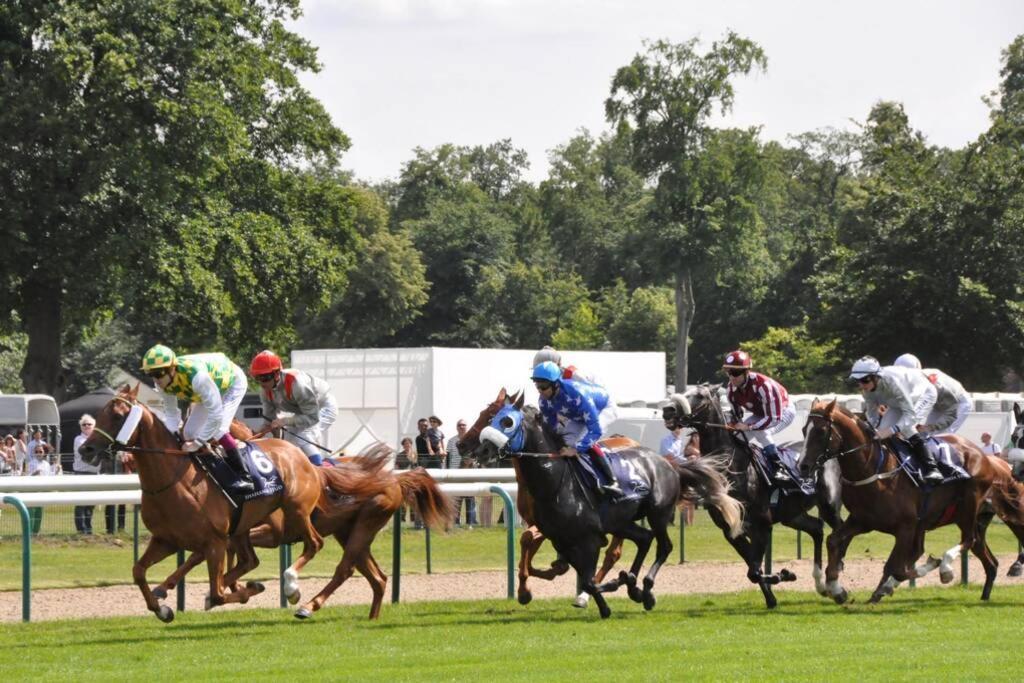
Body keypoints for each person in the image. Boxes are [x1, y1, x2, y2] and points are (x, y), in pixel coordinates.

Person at [141, 344, 254, 492]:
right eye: (151, 374)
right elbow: (171, 414)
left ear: (172, 368)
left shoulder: (197, 377)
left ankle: (245, 477)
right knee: (189, 433)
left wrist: (198, 443)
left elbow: (216, 414)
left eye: (159, 373)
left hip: (232, 383)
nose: (155, 380)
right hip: (207, 392)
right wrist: (174, 437)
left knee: (219, 429)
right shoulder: (163, 384)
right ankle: (212, 467)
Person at [532, 360, 621, 496]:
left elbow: (595, 429)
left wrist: (575, 449)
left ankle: (612, 481)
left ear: (556, 383)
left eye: (543, 387)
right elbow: (551, 429)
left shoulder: (577, 393)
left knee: (584, 443)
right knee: (565, 444)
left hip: (603, 409)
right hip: (578, 417)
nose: (540, 391)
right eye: (537, 386)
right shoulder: (544, 401)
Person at [849, 355, 943, 483]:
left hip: (923, 395)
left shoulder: (892, 381)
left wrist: (892, 429)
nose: (861, 385)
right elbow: (872, 414)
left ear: (876, 377)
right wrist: (874, 429)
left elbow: (910, 415)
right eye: (857, 381)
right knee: (882, 431)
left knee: (907, 428)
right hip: (898, 403)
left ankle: (932, 469)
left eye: (864, 380)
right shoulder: (867, 390)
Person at [250, 349, 338, 466]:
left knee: (304, 436)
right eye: (258, 378)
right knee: (288, 443)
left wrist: (285, 421)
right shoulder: (265, 391)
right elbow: (269, 421)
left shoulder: (297, 383)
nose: (262, 383)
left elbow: (312, 417)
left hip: (322, 408)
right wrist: (255, 435)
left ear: (277, 374)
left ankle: (321, 473)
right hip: (304, 413)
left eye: (265, 377)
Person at [721, 350, 795, 483]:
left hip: (783, 412)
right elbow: (736, 416)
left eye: (736, 373)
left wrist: (748, 426)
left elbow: (773, 419)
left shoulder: (764, 387)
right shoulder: (731, 390)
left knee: (761, 431)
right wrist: (732, 424)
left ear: (746, 372)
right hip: (761, 414)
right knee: (738, 437)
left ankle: (779, 468)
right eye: (729, 372)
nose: (732, 377)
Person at [893, 353, 973, 435]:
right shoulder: (918, 378)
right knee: (925, 436)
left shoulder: (929, 383)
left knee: (943, 436)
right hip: (941, 405)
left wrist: (932, 427)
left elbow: (950, 412)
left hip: (959, 404)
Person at [446, 419, 478, 527]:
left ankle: (470, 522)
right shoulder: (451, 441)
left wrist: (472, 463)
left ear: (466, 427)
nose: (462, 427)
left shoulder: (473, 440)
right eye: (459, 425)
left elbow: (476, 456)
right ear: (456, 427)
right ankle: (456, 522)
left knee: (470, 498)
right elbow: (448, 458)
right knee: (456, 498)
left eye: (464, 425)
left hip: (469, 473)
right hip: (455, 473)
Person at [72, 414, 100, 535]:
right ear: (80, 427)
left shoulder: (97, 440)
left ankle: (88, 527)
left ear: (94, 426)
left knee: (91, 503)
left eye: (89, 424)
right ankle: (81, 528)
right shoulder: (79, 439)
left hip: (94, 474)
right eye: (84, 424)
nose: (87, 426)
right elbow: (88, 455)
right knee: (81, 503)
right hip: (81, 474)